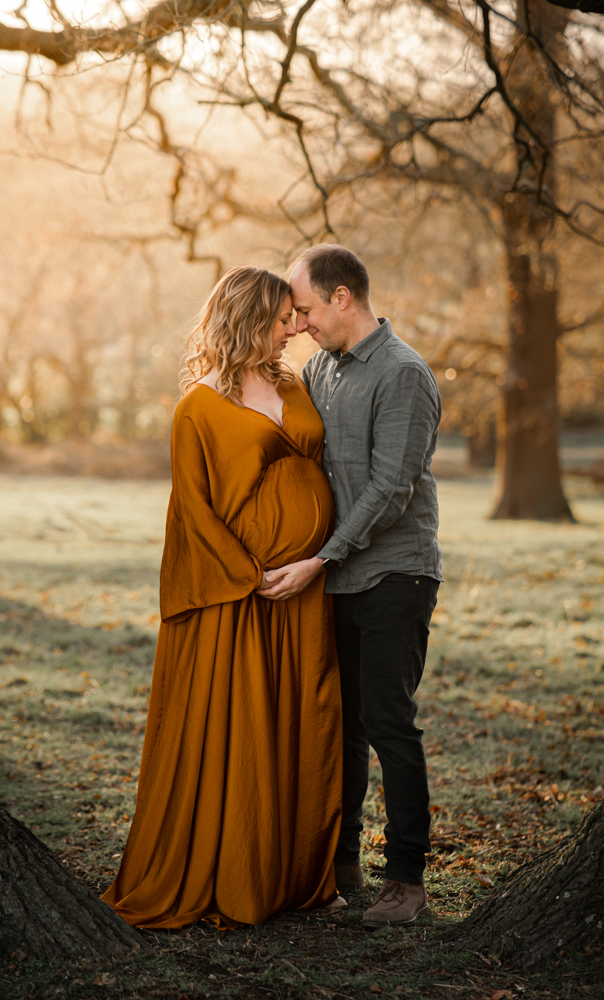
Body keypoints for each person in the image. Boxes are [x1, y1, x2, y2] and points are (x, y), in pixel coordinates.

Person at [101, 266, 344, 929]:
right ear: (244, 321)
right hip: (243, 596)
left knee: (300, 721)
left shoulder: (295, 382)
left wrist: (311, 560)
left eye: (295, 318)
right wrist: (251, 574)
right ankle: (236, 868)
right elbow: (195, 514)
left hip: (302, 591)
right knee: (243, 729)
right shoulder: (197, 409)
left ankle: (289, 872)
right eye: (279, 320)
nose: (293, 328)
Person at [259, 244, 442, 928]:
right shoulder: (318, 370)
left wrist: (320, 558)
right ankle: (339, 868)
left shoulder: (402, 374)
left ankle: (406, 883)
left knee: (390, 725)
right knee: (342, 728)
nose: (298, 323)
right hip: (333, 577)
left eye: (304, 308)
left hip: (395, 573)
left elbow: (391, 489)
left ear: (342, 298)